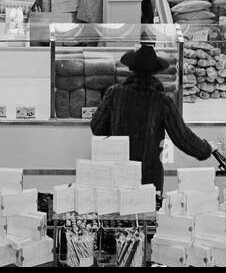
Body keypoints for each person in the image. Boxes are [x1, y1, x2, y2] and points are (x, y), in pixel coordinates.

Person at [90, 44, 213, 195]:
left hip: (118, 172)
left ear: (131, 69)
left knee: (119, 216)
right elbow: (182, 137)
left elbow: (96, 128)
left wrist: (117, 130)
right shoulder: (162, 101)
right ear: (155, 72)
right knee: (148, 215)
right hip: (148, 177)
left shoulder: (114, 93)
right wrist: (205, 149)